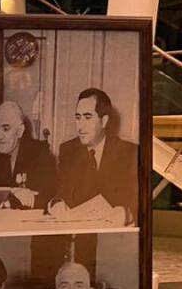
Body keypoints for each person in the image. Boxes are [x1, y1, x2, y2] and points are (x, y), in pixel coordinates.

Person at [52, 87, 138, 220]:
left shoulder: (129, 152)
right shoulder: (68, 150)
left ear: (104, 121)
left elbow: (137, 201)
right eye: (78, 118)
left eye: (87, 117)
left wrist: (126, 214)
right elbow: (60, 192)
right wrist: (57, 204)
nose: (80, 126)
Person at [0, 101, 56, 210]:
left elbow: (51, 195)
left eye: (6, 129)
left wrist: (32, 199)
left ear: (20, 131)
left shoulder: (40, 153)